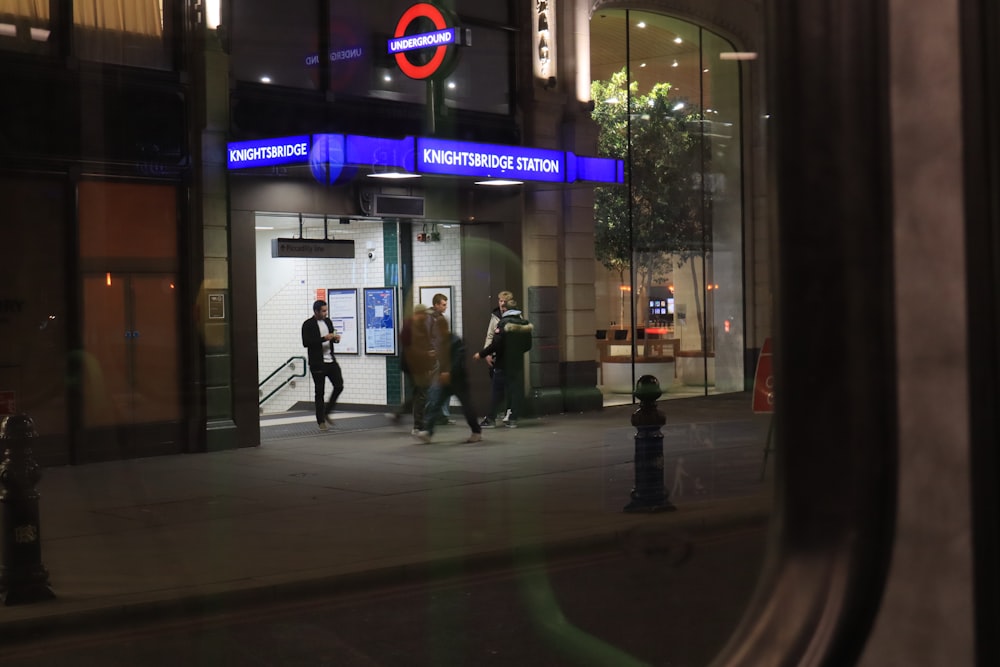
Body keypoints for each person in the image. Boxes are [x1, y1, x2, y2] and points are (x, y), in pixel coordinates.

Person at [474, 297, 533, 429]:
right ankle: (512, 419)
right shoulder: (524, 323)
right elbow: (528, 346)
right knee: (516, 391)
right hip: (517, 364)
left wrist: (482, 354)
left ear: (506, 309)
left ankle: (490, 419)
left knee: (497, 392)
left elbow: (496, 345)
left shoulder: (503, 323)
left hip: (502, 364)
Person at [417, 333, 484, 444]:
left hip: (458, 380)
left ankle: (476, 431)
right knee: (436, 402)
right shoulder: (440, 341)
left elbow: (458, 359)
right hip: (445, 379)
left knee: (466, 406)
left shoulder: (455, 341)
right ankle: (428, 432)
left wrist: (449, 372)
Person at [301, 300, 343, 431]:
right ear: (316, 311)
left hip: (330, 360)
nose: (325, 313)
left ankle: (327, 411)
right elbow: (306, 342)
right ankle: (321, 420)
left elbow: (331, 338)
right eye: (323, 311)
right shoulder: (308, 324)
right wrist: (324, 338)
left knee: (339, 386)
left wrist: (335, 339)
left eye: (326, 311)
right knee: (320, 392)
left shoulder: (328, 322)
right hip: (317, 363)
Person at [483, 290, 514, 424]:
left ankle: (507, 411)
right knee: (497, 385)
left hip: (508, 357)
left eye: (504, 302)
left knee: (508, 386)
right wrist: (487, 353)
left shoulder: (515, 317)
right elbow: (490, 335)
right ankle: (501, 412)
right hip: (496, 355)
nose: (502, 304)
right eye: (500, 301)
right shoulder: (495, 316)